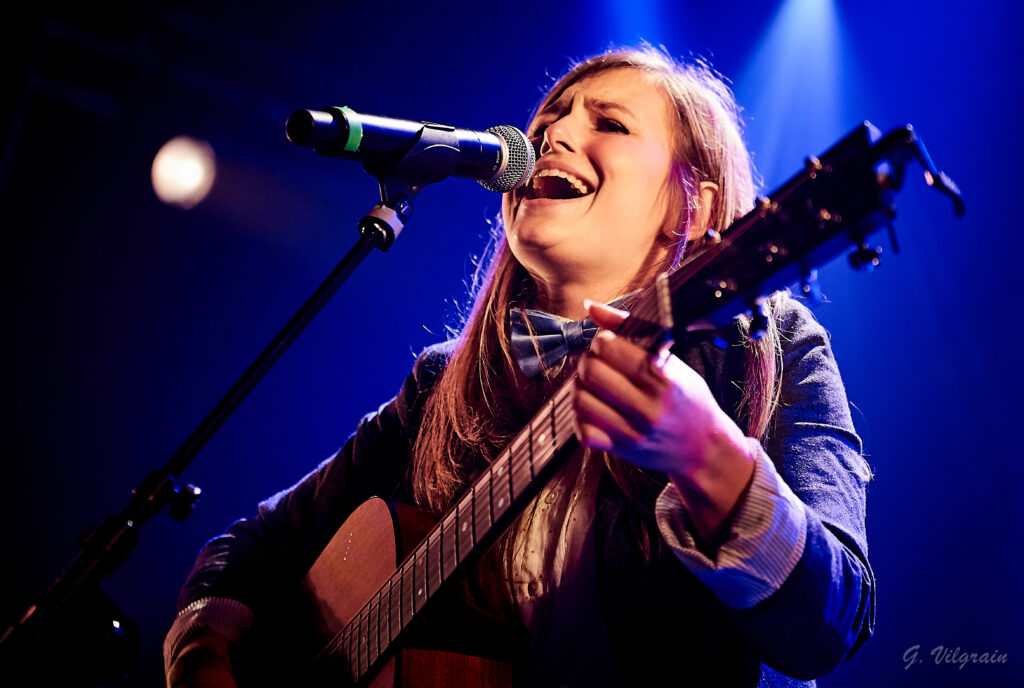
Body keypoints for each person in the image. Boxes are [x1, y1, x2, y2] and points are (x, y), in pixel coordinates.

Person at [164, 46, 875, 687]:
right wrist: (202, 648)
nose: (552, 135)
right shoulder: (443, 385)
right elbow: (250, 548)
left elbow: (831, 623)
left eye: (610, 124)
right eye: (551, 118)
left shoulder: (769, 348)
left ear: (697, 202)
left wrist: (708, 457)